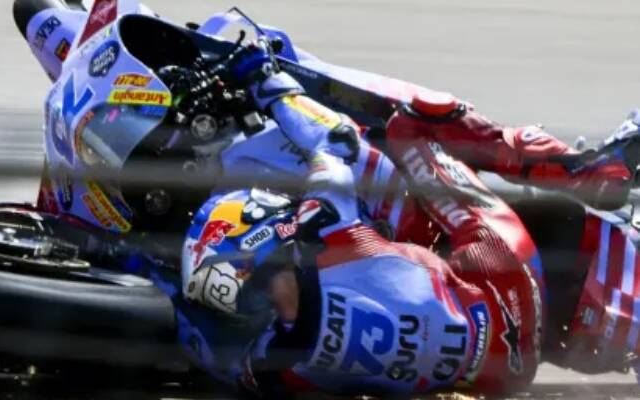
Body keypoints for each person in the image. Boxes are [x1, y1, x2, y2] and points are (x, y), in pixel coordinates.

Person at [181, 54, 545, 395]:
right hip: (508, 292)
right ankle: (562, 161)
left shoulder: (269, 367)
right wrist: (272, 85)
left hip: (498, 382)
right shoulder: (328, 233)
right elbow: (338, 139)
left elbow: (196, 330)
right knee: (409, 128)